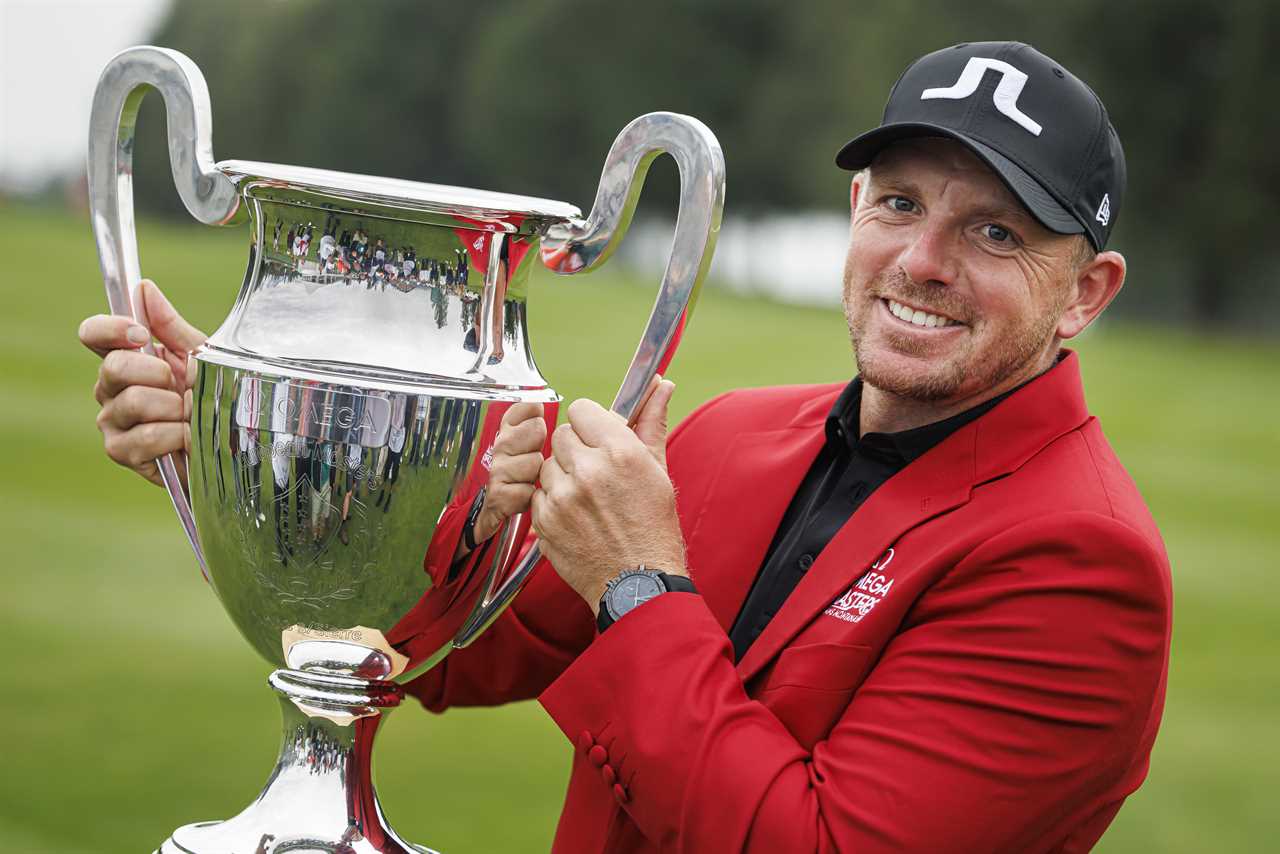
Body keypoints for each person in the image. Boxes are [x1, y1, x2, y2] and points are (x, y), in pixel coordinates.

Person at [78, 42, 1170, 853]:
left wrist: (637, 584)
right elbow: (450, 647)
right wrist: (266, 459)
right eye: (899, 202)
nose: (921, 258)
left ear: (1083, 293)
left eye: (994, 231)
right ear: (854, 208)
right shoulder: (737, 433)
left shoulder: (1079, 562)